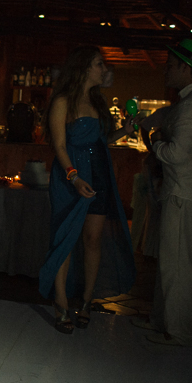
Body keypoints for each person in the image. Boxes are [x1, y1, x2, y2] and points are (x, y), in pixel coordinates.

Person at [37, 46, 137, 334]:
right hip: (70, 180)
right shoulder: (62, 102)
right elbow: (58, 146)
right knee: (65, 239)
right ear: (82, 68)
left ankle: (87, 300)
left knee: (93, 240)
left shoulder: (98, 102)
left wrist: (124, 132)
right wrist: (73, 177)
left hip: (99, 175)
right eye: (98, 64)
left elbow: (100, 141)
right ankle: (61, 302)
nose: (104, 69)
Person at [138, 38, 192, 347]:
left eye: (171, 66)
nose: (166, 71)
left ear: (187, 70)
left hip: (183, 192)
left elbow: (176, 154)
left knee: (178, 265)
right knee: (173, 262)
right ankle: (164, 322)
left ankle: (179, 331)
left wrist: (153, 143)